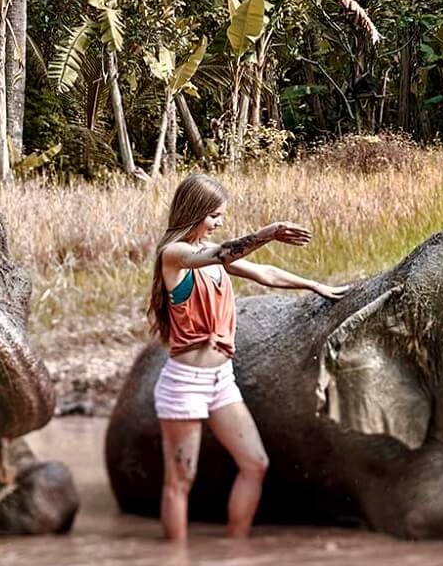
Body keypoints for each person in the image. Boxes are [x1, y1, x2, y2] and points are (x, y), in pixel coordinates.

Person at [147, 173, 350, 542]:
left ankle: (235, 554)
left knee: (255, 464)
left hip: (221, 380)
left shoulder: (209, 255)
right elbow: (225, 252)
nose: (219, 223)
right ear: (194, 212)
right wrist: (267, 233)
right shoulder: (175, 255)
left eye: (221, 216)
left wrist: (312, 284)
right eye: (214, 216)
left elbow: (262, 273)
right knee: (180, 479)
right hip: (184, 384)